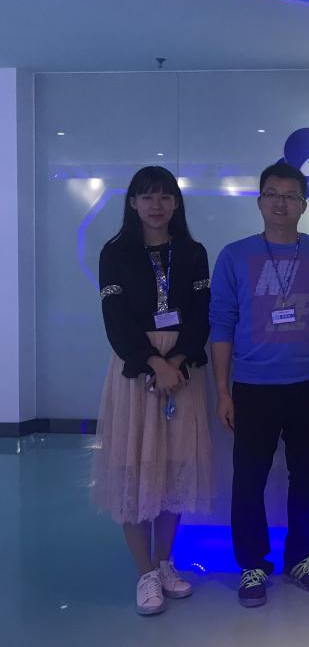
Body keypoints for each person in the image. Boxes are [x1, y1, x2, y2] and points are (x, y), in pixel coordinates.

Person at [210, 162, 309, 608]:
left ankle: (300, 558)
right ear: (260, 201)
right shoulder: (234, 255)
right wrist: (223, 390)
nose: (281, 203)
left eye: (290, 196)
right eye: (272, 194)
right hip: (253, 386)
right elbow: (222, 325)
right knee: (249, 479)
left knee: (307, 478)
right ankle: (251, 563)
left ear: (304, 204)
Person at [93, 165, 213, 616]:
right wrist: (153, 363)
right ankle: (144, 573)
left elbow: (202, 314)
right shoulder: (115, 253)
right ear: (132, 203)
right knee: (134, 465)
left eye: (165, 197)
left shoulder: (193, 252)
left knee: (174, 466)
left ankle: (164, 562)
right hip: (137, 370)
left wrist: (176, 361)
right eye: (147, 197)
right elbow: (116, 321)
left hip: (182, 371)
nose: (156, 205)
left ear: (176, 203)